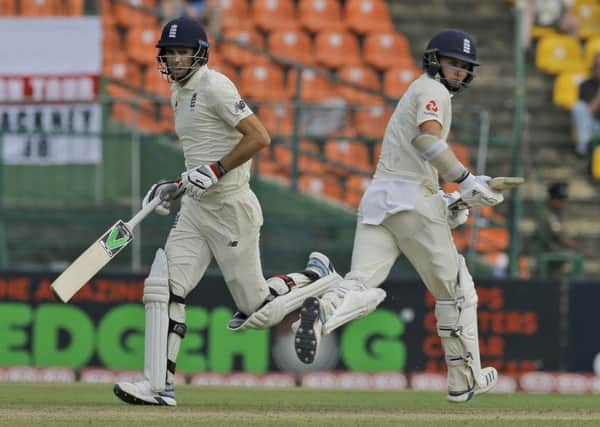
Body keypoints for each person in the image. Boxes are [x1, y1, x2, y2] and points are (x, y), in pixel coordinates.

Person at [113, 17, 340, 406]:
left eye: (181, 52)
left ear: (198, 53)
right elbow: (200, 156)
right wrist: (174, 185)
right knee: (166, 289)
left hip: (231, 209)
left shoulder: (215, 86)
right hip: (196, 211)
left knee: (256, 312)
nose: (173, 60)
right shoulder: (176, 93)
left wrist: (217, 170)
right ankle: (159, 386)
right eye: (168, 54)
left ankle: (318, 277)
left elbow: (259, 136)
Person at [293, 29, 505, 403]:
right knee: (457, 292)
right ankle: (463, 380)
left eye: (463, 67)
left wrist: (455, 198)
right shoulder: (432, 90)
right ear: (435, 60)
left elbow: (413, 166)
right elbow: (426, 141)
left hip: (380, 197)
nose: (456, 72)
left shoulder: (416, 90)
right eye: (452, 63)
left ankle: (323, 313)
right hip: (410, 198)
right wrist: (466, 179)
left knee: (361, 284)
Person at [532, 181, 579, 277]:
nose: (563, 202)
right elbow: (559, 236)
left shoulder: (556, 213)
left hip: (553, 257)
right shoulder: (548, 214)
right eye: (560, 199)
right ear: (552, 199)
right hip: (547, 257)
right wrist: (575, 246)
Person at [572, 52, 600, 157]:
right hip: (592, 126)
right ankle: (583, 147)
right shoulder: (585, 85)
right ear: (593, 67)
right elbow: (589, 111)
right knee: (578, 107)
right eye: (597, 66)